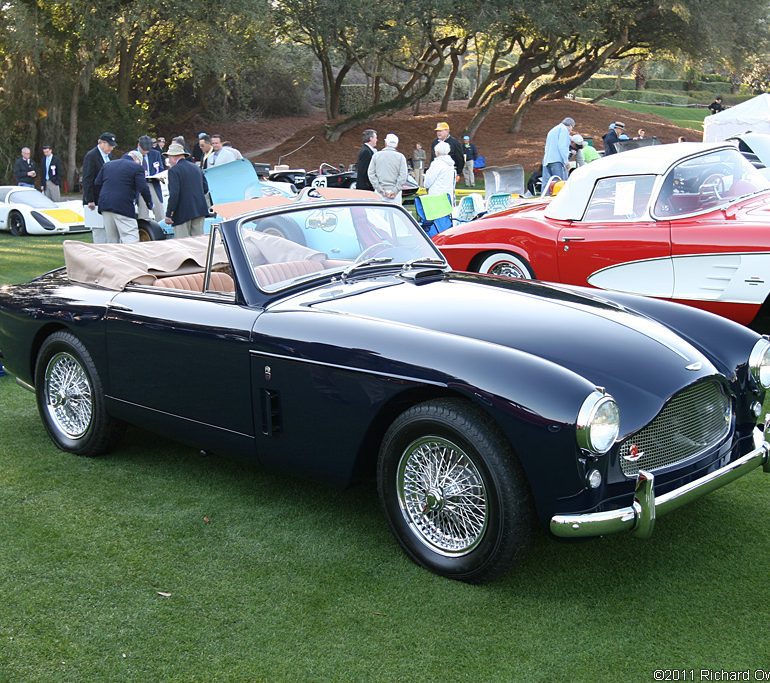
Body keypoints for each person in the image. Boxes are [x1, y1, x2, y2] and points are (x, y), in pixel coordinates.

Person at [94, 149, 153, 244]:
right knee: (130, 236)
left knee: (112, 239)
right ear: (137, 160)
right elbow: (143, 187)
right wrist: (149, 203)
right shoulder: (137, 167)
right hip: (123, 206)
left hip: (105, 205)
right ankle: (130, 258)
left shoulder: (108, 165)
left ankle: (114, 258)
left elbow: (97, 183)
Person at [163, 142, 209, 238]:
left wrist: (169, 214)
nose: (169, 160)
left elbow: (174, 194)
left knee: (183, 243)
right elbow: (205, 188)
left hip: (182, 212)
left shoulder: (174, 170)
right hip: (199, 209)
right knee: (198, 242)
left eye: (169, 157)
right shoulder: (196, 168)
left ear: (174, 157)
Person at [81, 132, 117, 243]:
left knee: (109, 228)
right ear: (101, 143)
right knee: (98, 230)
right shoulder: (91, 156)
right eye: (109, 145)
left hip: (107, 198)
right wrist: (90, 199)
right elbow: (87, 179)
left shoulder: (109, 156)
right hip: (95, 198)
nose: (111, 148)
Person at [367, 133, 408, 204]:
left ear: (386, 143)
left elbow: (371, 173)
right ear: (396, 144)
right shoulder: (401, 157)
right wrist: (395, 190)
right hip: (395, 193)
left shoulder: (376, 156)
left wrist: (379, 189)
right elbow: (403, 176)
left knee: (379, 214)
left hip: (379, 192)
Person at [136, 135, 165, 222]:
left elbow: (160, 168)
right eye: (143, 150)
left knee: (159, 210)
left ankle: (163, 230)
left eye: (147, 150)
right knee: (143, 211)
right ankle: (144, 232)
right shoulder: (132, 155)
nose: (145, 152)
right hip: (140, 184)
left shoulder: (155, 154)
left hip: (152, 183)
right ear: (138, 145)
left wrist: (159, 176)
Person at [541, 117, 574, 189]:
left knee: (546, 185)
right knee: (559, 184)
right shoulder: (564, 130)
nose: (571, 130)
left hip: (547, 160)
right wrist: (566, 161)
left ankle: (544, 199)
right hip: (556, 160)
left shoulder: (553, 130)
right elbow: (562, 146)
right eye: (572, 128)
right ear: (570, 125)